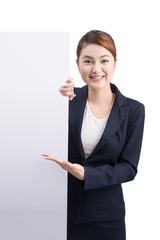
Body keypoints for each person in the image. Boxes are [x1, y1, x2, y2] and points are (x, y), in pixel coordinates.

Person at [42, 30, 145, 240]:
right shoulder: (66, 99)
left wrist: (86, 175)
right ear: (78, 63)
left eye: (104, 60)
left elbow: (129, 168)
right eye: (88, 61)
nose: (96, 69)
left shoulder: (133, 110)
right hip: (61, 213)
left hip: (107, 218)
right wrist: (51, 93)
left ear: (115, 62)